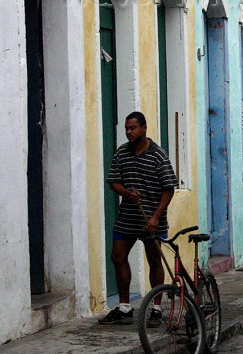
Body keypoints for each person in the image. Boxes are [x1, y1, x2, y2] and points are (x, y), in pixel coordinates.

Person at [99, 112, 178, 325]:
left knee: (154, 261)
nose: (128, 132)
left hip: (152, 219)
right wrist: (126, 192)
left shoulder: (157, 154)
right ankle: (124, 307)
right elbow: (113, 181)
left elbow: (169, 188)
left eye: (132, 128)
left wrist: (155, 217)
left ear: (143, 128)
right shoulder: (122, 153)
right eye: (126, 128)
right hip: (128, 217)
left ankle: (157, 308)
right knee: (117, 256)